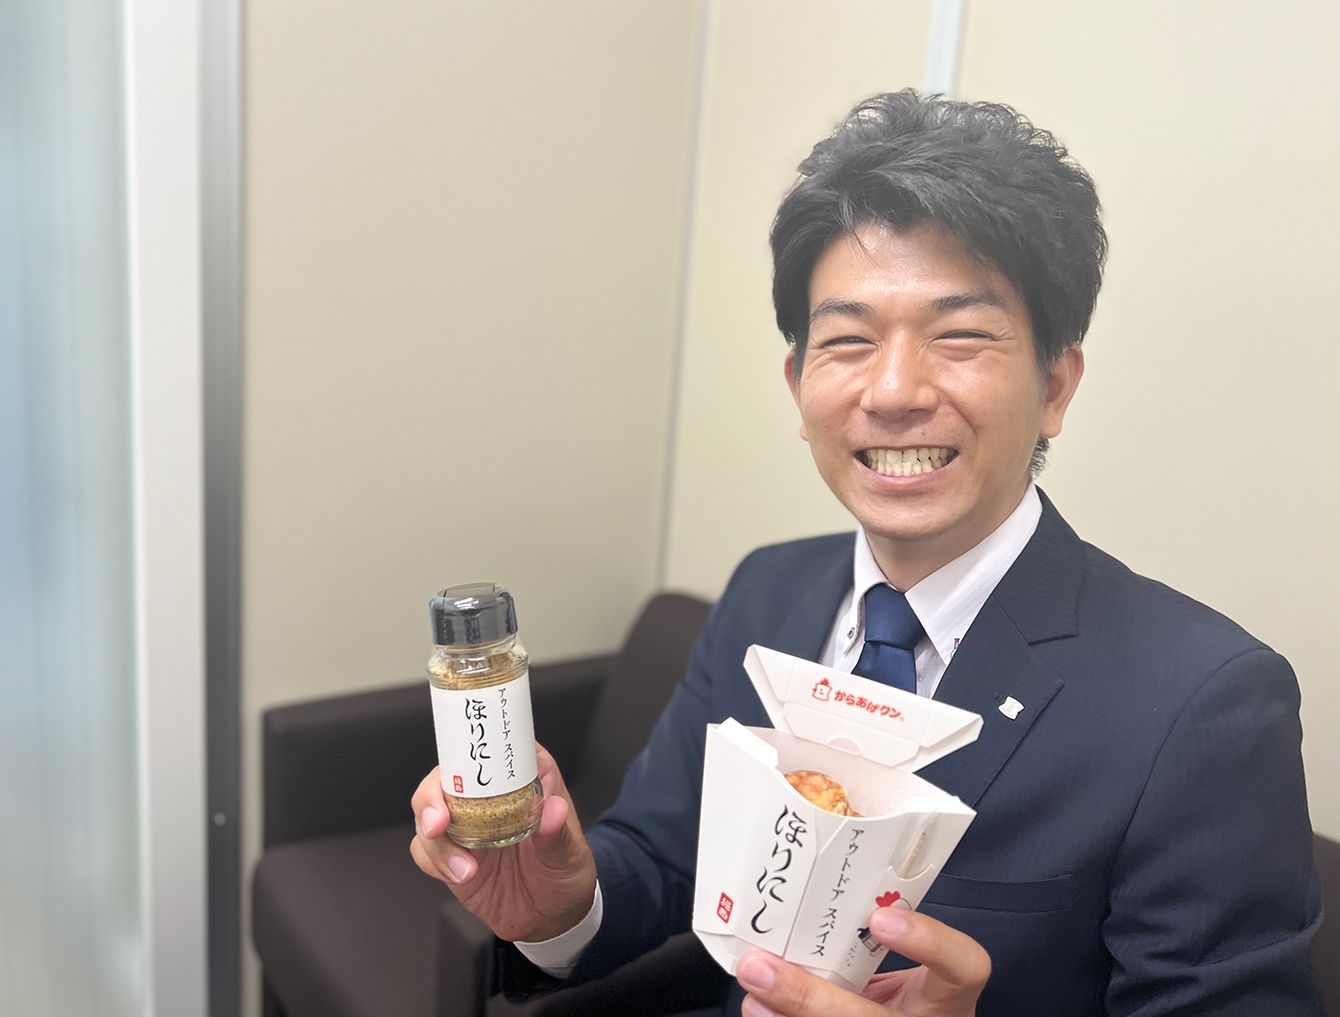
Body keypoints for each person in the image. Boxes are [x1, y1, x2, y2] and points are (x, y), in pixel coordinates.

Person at [411, 91, 1323, 1016]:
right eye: (848, 340)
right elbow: (657, 854)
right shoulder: (767, 589)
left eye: (958, 335)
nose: (892, 392)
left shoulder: (1201, 701)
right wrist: (561, 902)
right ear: (798, 383)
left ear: (1054, 384)